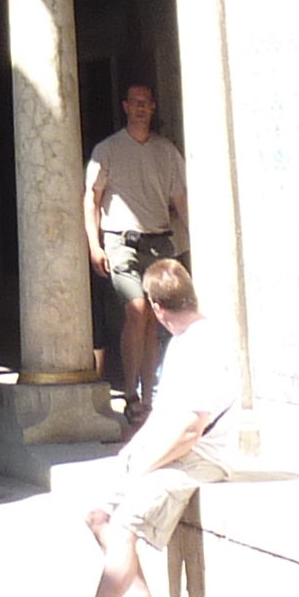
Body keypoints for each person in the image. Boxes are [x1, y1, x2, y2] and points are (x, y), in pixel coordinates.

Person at [34, 257, 233, 597]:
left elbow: (191, 430)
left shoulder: (204, 344)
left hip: (196, 457)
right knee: (98, 514)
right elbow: (165, 414)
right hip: (169, 450)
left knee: (123, 528)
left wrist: (148, 464)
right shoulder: (180, 342)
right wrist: (134, 450)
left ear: (157, 308)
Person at [85, 77, 189, 423]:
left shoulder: (167, 152)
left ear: (153, 108)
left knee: (156, 317)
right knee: (136, 309)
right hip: (121, 241)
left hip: (159, 241)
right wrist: (94, 244)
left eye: (147, 102)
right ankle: (130, 393)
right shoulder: (107, 150)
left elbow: (181, 201)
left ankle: (149, 394)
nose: (141, 107)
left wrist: (196, 240)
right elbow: (92, 199)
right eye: (135, 102)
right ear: (126, 107)